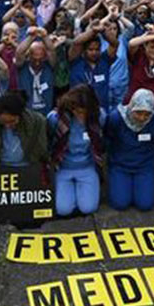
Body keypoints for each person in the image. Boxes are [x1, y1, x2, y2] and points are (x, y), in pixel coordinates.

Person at [104, 89, 154, 212]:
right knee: (120, 203)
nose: (142, 118)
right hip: (120, 165)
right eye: (138, 113)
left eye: (147, 114)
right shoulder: (115, 118)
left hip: (145, 165)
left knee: (145, 204)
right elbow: (108, 138)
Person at [47, 85, 107, 217]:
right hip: (64, 167)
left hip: (87, 167)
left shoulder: (100, 116)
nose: (80, 115)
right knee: (63, 210)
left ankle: (82, 191)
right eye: (77, 111)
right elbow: (50, 141)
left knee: (88, 208)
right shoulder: (55, 118)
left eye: (84, 112)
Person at [0, 92, 49, 171]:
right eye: (4, 121)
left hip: (28, 167)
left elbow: (41, 150)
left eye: (12, 121)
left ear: (20, 115)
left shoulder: (37, 122)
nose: (8, 125)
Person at [68, 21, 118, 110]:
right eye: (90, 49)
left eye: (97, 49)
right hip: (79, 111)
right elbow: (76, 42)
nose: (94, 52)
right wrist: (93, 31)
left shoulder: (105, 61)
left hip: (101, 111)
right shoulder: (75, 61)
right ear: (84, 50)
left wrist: (103, 31)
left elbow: (115, 44)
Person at [17, 28, 58, 113]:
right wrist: (32, 36)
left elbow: (51, 50)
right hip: (27, 113)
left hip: (46, 111)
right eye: (34, 59)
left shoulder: (49, 66)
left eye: (40, 59)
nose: (37, 63)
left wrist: (44, 36)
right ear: (29, 57)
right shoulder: (23, 67)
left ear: (45, 57)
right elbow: (19, 52)